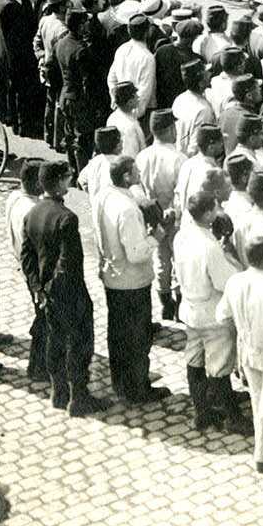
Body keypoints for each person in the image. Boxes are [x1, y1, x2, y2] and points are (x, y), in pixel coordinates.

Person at [21, 162, 108, 415]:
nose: (70, 180)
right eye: (68, 177)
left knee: (54, 342)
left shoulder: (32, 213)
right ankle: (79, 397)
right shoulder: (67, 218)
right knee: (80, 343)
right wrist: (51, 289)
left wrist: (38, 288)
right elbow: (67, 262)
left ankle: (58, 392)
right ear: (58, 182)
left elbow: (26, 256)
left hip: (47, 294)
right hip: (69, 293)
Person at [94, 154, 167, 403]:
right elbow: (136, 253)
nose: (138, 174)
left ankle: (121, 383)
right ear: (126, 176)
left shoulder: (104, 196)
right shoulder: (127, 209)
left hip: (112, 277)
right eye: (135, 171)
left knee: (118, 335)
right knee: (137, 338)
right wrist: (156, 236)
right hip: (132, 281)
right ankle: (138, 388)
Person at [180, 192, 251, 435]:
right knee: (219, 366)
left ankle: (201, 412)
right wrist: (232, 258)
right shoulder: (210, 247)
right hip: (211, 313)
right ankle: (232, 416)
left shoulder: (182, 236)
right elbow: (225, 281)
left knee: (195, 360)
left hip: (190, 310)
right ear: (209, 213)